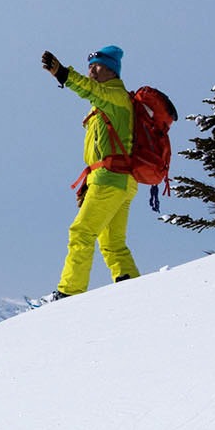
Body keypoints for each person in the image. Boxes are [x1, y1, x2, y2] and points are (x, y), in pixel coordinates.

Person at [39, 44, 139, 298]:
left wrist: (63, 74)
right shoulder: (109, 101)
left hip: (112, 178)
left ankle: (69, 292)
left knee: (81, 232)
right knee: (112, 242)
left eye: (98, 66)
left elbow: (89, 89)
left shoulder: (113, 96)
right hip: (117, 179)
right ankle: (133, 288)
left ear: (112, 72)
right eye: (90, 66)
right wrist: (90, 182)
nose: (92, 71)